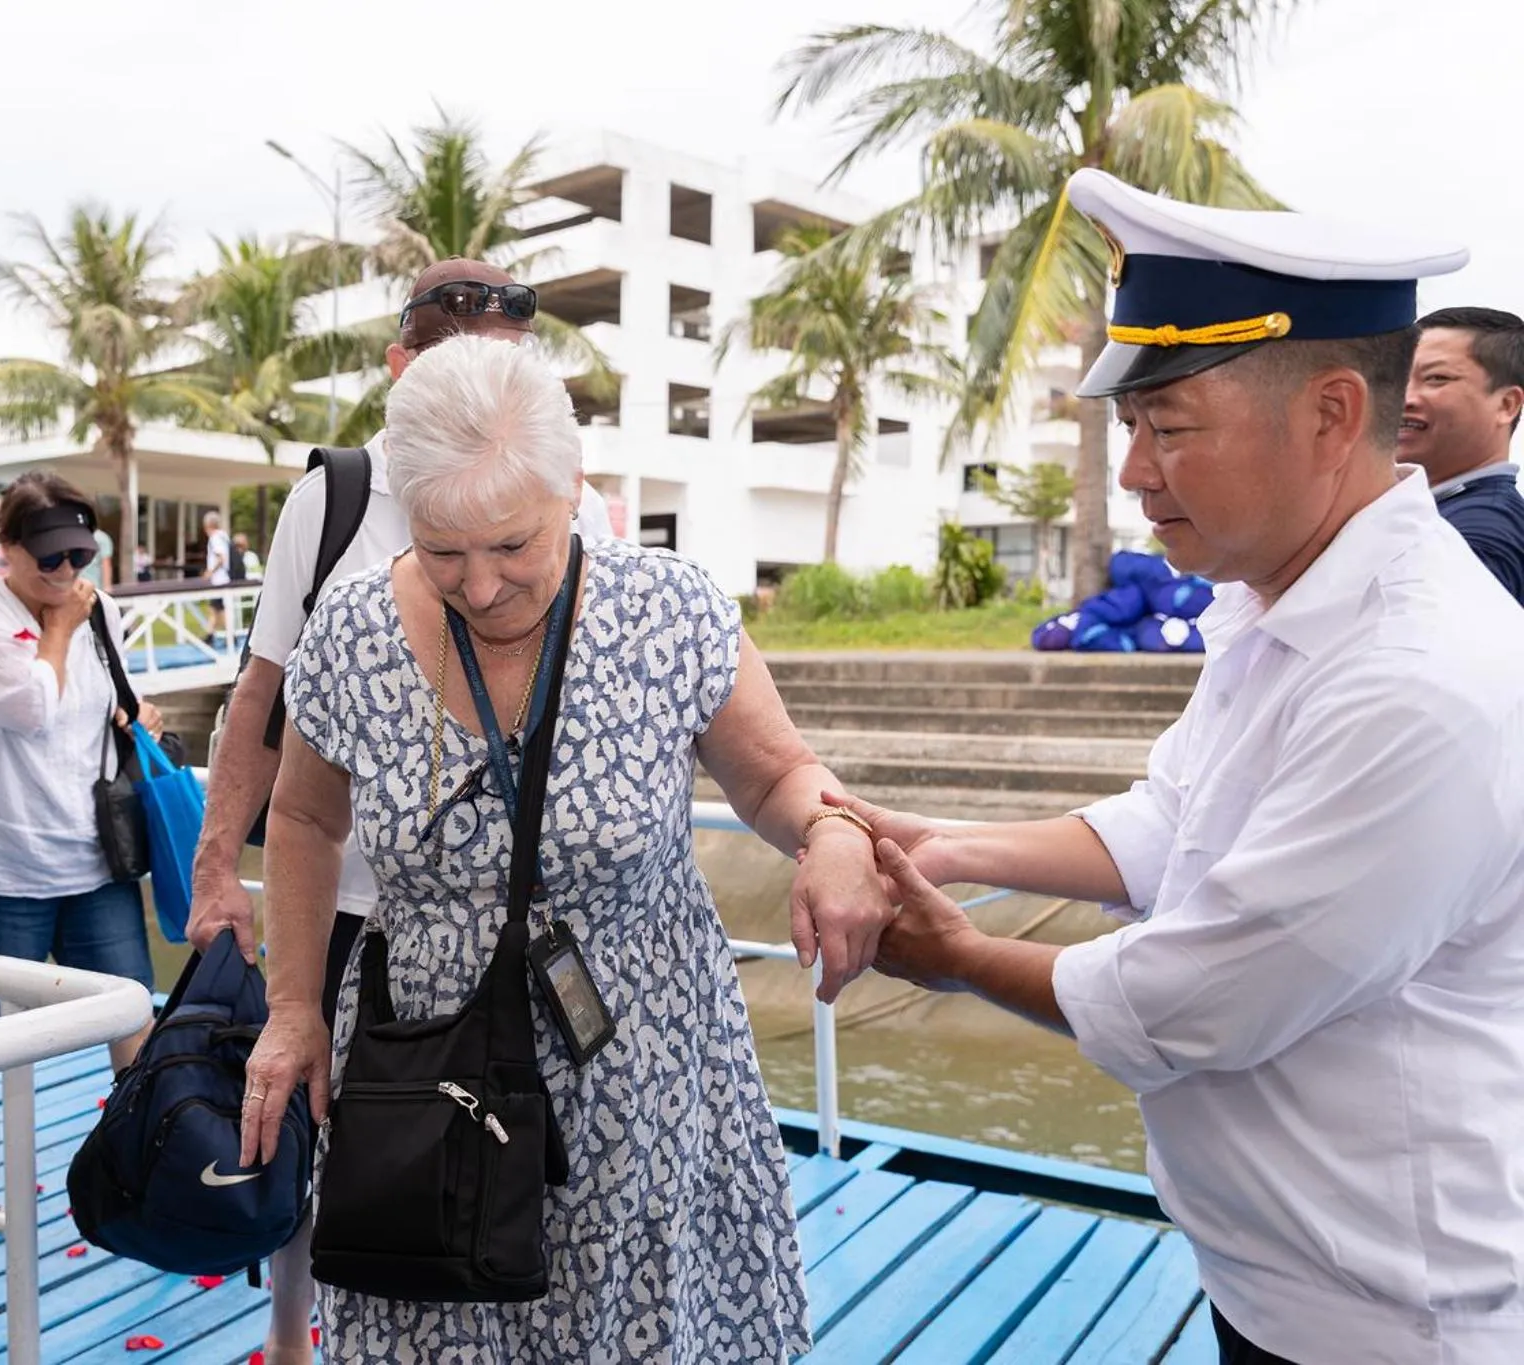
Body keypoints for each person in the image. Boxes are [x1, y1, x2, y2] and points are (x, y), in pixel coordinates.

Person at [856, 170, 1524, 1365]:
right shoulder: (1284, 607)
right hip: (1273, 1266)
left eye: (1167, 428)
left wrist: (950, 958)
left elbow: (1205, 999)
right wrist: (946, 846)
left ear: (1326, 416)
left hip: (1389, 1313)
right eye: (1129, 430)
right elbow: (1174, 818)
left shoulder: (1418, 677)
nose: (1131, 474)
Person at [240, 336, 891, 1364]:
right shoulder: (353, 631)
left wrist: (833, 830)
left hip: (637, 1060)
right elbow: (305, 820)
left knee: (628, 1324)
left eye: (512, 545)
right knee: (433, 1314)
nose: (482, 586)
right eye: (444, 550)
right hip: (430, 1063)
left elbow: (774, 776)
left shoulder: (665, 612)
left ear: (571, 490)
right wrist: (290, 1009)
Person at [187, 258, 616, 1362]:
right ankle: (296, 1336)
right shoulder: (332, 498)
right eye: (450, 364)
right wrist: (211, 868)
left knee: (527, 1144)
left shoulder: (576, 501)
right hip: (348, 906)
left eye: (504, 369)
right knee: (325, 1125)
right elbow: (259, 694)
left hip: (516, 912)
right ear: (399, 369)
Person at [0, 471, 163, 1225]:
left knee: (129, 1011)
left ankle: (143, 1159)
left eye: (77, 558)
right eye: (48, 558)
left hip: (92, 856)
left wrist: (131, 710)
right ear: (7, 548)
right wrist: (57, 630)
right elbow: (27, 709)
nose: (65, 574)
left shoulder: (102, 610)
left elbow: (104, 700)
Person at [1396, 306, 1524, 603]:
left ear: (1507, 405)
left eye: (1436, 378)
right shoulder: (1436, 514)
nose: (1406, 398)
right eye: (1399, 380)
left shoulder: (1478, 534)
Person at [200, 510, 231, 645]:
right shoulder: (224, 536)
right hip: (225, 578)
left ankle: (211, 635)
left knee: (214, 609)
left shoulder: (215, 538)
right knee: (219, 609)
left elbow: (221, 558)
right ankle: (217, 634)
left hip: (219, 580)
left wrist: (210, 572)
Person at [79, 523, 115, 590]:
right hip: (88, 586)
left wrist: (107, 587)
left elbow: (106, 564)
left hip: (93, 587)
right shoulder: (103, 537)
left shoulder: (101, 538)